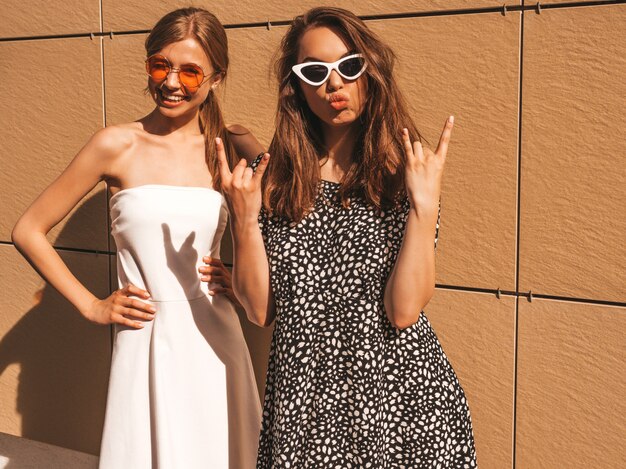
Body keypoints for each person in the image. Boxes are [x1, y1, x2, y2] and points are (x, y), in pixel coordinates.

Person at [215, 7, 477, 468]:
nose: (334, 83)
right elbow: (259, 310)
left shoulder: (403, 176)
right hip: (304, 410)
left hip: (399, 410)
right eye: (315, 71)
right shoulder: (278, 179)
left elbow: (404, 310)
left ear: (369, 71)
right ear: (296, 85)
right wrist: (243, 219)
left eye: (349, 66)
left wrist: (424, 206)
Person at [12, 7, 262, 469]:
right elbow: (27, 230)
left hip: (217, 338)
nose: (171, 82)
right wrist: (92, 306)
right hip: (145, 337)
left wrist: (241, 275)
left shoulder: (232, 144)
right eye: (160, 65)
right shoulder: (115, 144)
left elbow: (284, 228)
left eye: (190, 72)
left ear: (217, 78)